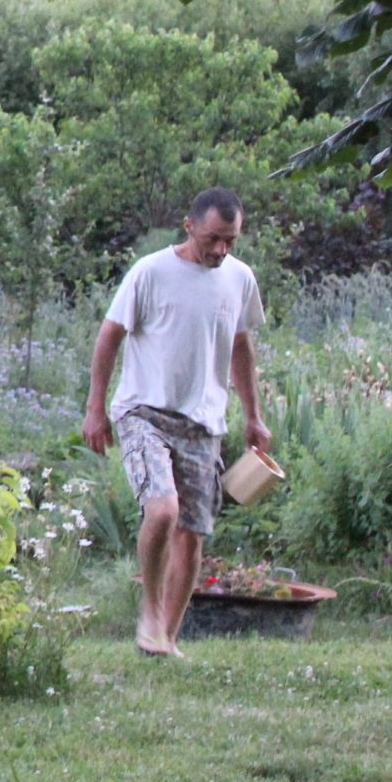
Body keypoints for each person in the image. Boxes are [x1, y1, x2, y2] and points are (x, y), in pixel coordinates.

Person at [84, 187, 270, 657]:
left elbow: (242, 347)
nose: (221, 249)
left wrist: (254, 416)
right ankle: (148, 610)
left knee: (192, 536)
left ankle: (165, 636)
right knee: (163, 510)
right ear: (189, 226)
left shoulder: (240, 279)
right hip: (144, 411)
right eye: (213, 238)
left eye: (230, 240)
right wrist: (95, 408)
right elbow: (109, 337)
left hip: (204, 422)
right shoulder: (151, 272)